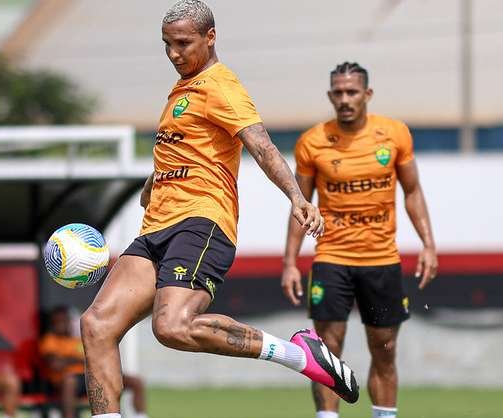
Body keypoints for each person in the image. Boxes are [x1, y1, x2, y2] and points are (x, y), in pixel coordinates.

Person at [79, 2, 360, 417]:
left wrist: (297, 198)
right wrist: (154, 181)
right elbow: (186, 149)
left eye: (183, 43)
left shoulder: (221, 85)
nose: (174, 53)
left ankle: (298, 354)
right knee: (96, 325)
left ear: (210, 37)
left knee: (171, 327)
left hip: (201, 223)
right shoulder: (182, 89)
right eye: (167, 44)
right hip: (155, 228)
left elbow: (261, 146)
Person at [281, 62, 438, 418]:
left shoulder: (395, 134)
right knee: (327, 352)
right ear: (330, 96)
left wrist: (428, 244)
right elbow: (300, 205)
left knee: (384, 350)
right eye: (338, 92)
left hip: (381, 261)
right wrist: (289, 261)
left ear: (367, 94)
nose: (345, 99)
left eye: (352, 92)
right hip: (331, 259)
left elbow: (413, 192)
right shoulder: (312, 141)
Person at [40, 306, 147, 418]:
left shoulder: (77, 339)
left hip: (90, 375)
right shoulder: (50, 340)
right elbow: (56, 365)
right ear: (52, 323)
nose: (62, 325)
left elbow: (94, 358)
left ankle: (140, 416)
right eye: (58, 322)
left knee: (135, 381)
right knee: (70, 381)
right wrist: (79, 360)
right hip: (66, 380)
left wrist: (71, 360)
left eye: (65, 321)